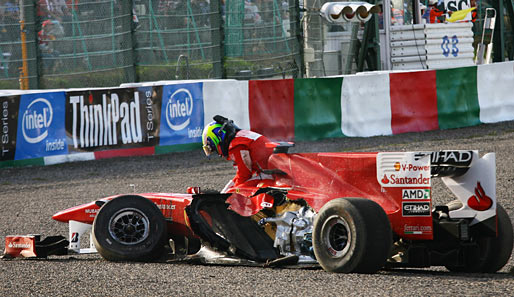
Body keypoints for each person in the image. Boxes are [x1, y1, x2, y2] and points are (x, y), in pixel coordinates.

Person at [201, 115, 274, 192]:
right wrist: (227, 188)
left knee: (234, 192)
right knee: (231, 189)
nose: (215, 151)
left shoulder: (237, 145)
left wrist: (229, 191)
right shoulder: (240, 136)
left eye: (212, 148)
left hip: (269, 175)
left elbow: (245, 174)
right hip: (270, 170)